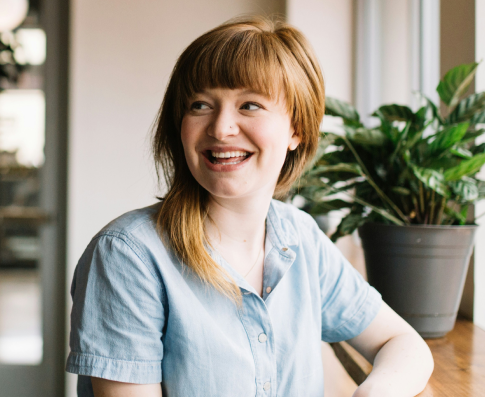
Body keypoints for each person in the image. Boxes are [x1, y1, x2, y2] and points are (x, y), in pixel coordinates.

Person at [66, 16, 434, 397]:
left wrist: (375, 391)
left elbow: (402, 343)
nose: (221, 127)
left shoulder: (300, 236)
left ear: (296, 130)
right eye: (200, 104)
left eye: (250, 105)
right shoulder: (128, 256)